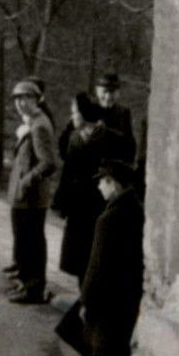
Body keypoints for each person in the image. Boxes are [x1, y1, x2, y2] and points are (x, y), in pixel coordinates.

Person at [80, 160, 146, 356]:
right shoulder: (137, 210)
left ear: (114, 184)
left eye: (103, 181)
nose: (99, 186)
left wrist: (86, 302)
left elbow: (96, 267)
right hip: (128, 299)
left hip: (105, 302)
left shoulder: (107, 220)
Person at [53, 92, 124, 280]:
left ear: (85, 114)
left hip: (97, 205)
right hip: (77, 207)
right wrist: (61, 201)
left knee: (96, 255)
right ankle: (83, 296)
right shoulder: (74, 138)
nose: (72, 117)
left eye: (75, 113)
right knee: (78, 259)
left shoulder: (110, 138)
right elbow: (67, 170)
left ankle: (90, 299)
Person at [6, 78, 60, 304]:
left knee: (32, 242)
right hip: (22, 195)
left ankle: (34, 289)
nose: (20, 103)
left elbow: (48, 163)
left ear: (36, 100)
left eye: (26, 98)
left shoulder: (39, 125)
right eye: (17, 98)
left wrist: (26, 182)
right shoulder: (32, 121)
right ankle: (27, 284)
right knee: (25, 241)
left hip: (31, 197)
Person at [92, 73, 138, 164]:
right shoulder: (89, 110)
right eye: (104, 92)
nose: (108, 97)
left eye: (112, 92)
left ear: (118, 93)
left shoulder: (123, 113)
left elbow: (129, 145)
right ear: (97, 91)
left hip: (115, 167)